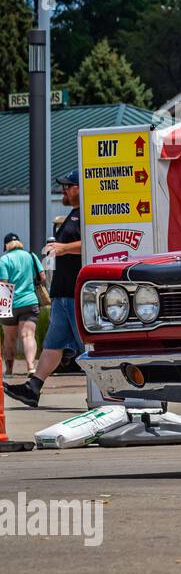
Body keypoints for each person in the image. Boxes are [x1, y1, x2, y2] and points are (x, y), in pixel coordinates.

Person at [4, 170, 82, 408]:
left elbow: (92, 242)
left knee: (86, 346)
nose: (64, 190)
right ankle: (33, 388)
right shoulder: (72, 215)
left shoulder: (88, 215)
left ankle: (110, 392)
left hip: (75, 293)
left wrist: (62, 248)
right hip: (62, 294)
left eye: (68, 186)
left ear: (80, 188)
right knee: (53, 345)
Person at [0, 233, 45, 376]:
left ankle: (10, 370)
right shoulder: (31, 256)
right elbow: (42, 277)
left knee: (9, 338)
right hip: (29, 301)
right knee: (28, 335)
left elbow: (4, 283)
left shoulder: (4, 259)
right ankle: (31, 367)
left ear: (6, 245)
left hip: (9, 304)